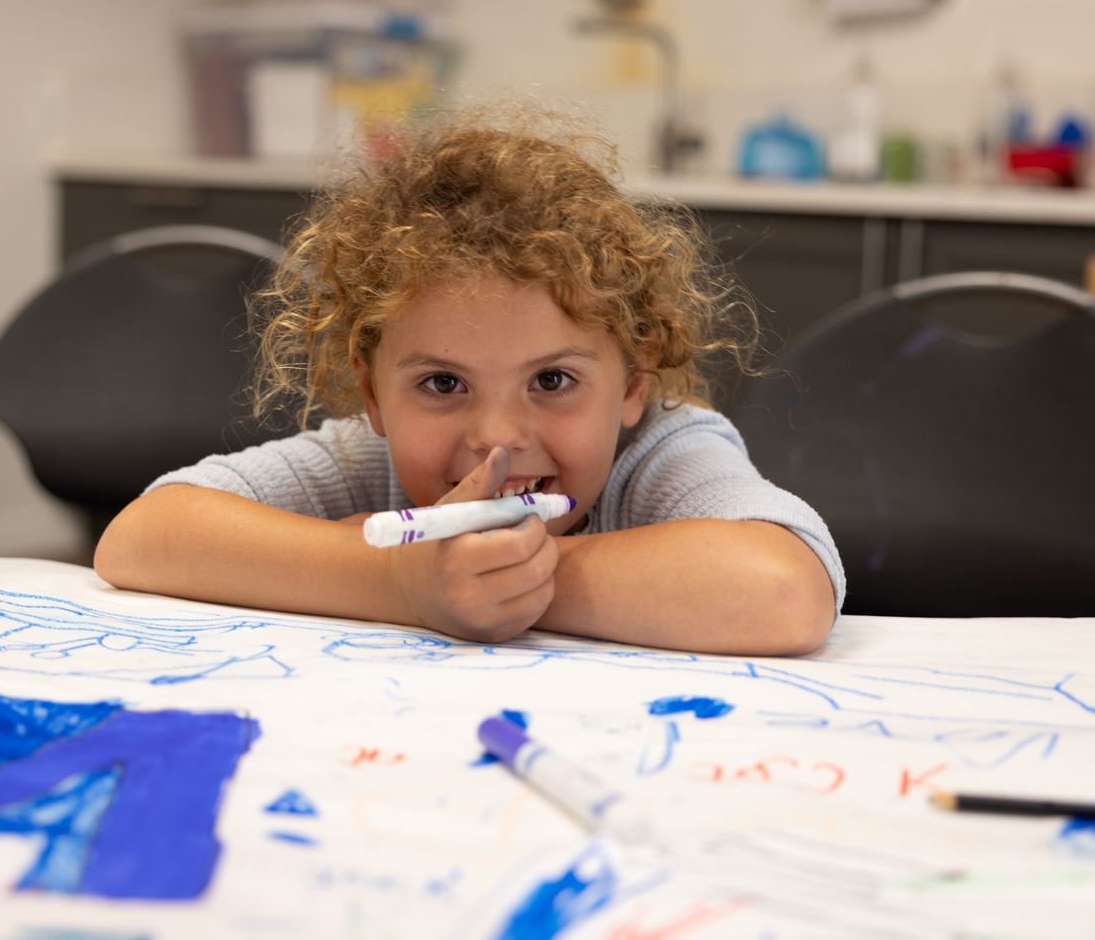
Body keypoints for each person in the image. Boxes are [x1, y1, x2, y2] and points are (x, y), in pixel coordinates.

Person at [95, 107, 844, 655]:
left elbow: (782, 589)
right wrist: (400, 582)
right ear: (372, 393)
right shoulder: (366, 458)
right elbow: (141, 537)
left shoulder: (661, 451)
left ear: (633, 381)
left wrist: (507, 575)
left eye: (552, 379)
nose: (497, 440)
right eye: (443, 385)